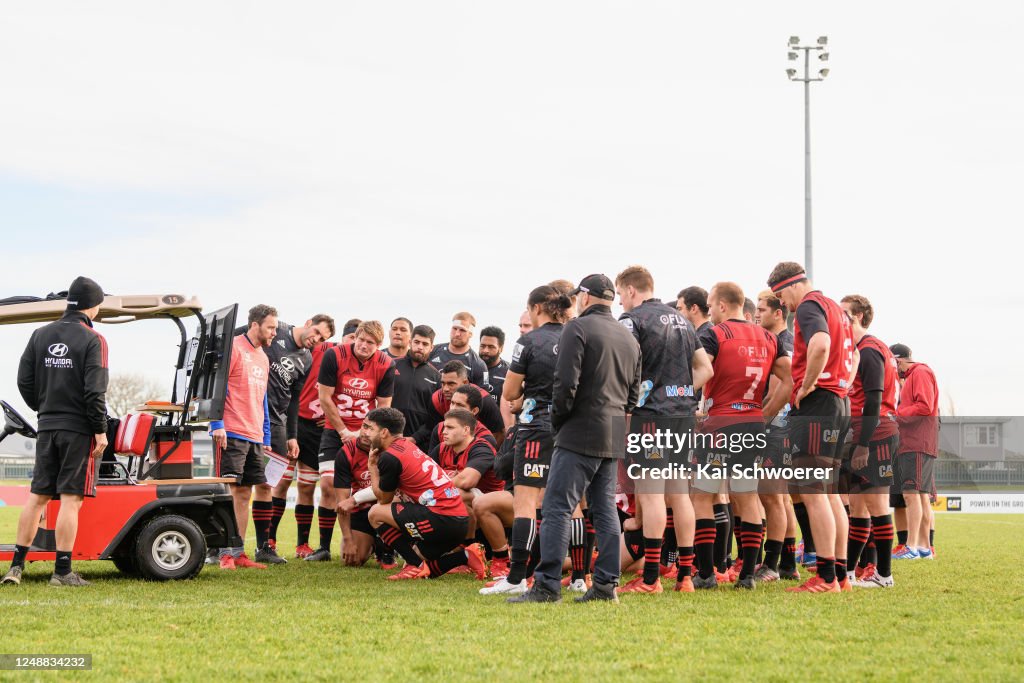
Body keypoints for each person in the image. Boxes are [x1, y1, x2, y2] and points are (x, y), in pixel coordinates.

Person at [509, 274, 641, 604]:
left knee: (556, 508)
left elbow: (565, 382)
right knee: (604, 511)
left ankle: (547, 585)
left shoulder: (577, 328)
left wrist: (559, 419)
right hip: (612, 429)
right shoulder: (628, 337)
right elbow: (633, 394)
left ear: (584, 297)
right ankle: (605, 585)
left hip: (579, 428)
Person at [4, 276, 110, 587]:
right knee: (69, 499)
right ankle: (62, 572)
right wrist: (100, 430)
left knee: (37, 497)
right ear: (93, 306)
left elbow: (24, 381)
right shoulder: (94, 339)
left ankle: (16, 568)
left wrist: (45, 407)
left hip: (47, 425)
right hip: (78, 429)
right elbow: (95, 392)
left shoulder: (40, 334)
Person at [614, 266, 713, 595]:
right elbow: (706, 368)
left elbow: (621, 366)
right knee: (679, 495)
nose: (620, 303)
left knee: (653, 494)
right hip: (683, 414)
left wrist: (636, 399)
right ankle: (685, 576)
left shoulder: (633, 320)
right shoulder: (682, 319)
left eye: (619, 295)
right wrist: (683, 391)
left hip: (652, 416)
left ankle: (651, 579)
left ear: (630, 290)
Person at [692, 282, 790, 590]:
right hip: (751, 424)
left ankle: (706, 574)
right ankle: (747, 575)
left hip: (719, 424)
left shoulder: (713, 334)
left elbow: (701, 370)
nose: (709, 312)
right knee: (746, 497)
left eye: (710, 306)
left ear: (722, 305)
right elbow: (789, 379)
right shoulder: (769, 337)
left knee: (702, 496)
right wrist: (765, 414)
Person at [767, 262, 856, 594]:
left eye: (780, 296)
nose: (782, 305)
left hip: (819, 403)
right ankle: (841, 575)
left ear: (792, 286)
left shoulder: (808, 305)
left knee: (813, 492)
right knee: (829, 493)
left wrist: (807, 384)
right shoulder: (836, 307)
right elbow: (854, 355)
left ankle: (827, 577)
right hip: (839, 403)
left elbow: (819, 344)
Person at [481, 285, 572, 596]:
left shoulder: (529, 341)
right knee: (573, 504)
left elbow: (508, 393)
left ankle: (518, 575)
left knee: (526, 501)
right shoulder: (579, 335)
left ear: (536, 309)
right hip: (574, 426)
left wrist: (523, 399)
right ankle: (578, 577)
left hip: (537, 425)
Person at [362, 408, 487, 580]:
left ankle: (415, 565)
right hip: (457, 522)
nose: (365, 433)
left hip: (442, 519)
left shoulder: (390, 457)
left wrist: (372, 468)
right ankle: (466, 556)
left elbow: (384, 499)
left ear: (384, 432)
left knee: (375, 513)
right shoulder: (407, 446)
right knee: (421, 567)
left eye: (369, 428)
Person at [307, 320, 396, 562]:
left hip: (367, 433)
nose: (365, 346)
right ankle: (323, 547)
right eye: (362, 339)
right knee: (327, 487)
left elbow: (384, 406)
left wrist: (364, 432)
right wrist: (344, 431)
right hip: (335, 430)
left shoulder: (386, 363)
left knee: (377, 485)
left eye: (371, 343)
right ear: (355, 337)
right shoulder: (335, 355)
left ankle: (383, 546)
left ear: (379, 346)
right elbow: (324, 398)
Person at [257, 314, 336, 564]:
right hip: (283, 422)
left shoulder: (310, 356)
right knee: (277, 482)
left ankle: (302, 543)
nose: (317, 340)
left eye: (323, 338)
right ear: (309, 321)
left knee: (306, 485)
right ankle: (268, 540)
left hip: (312, 428)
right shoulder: (276, 331)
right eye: (317, 333)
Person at [210, 304, 280, 570]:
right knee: (229, 492)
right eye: (271, 327)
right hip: (231, 430)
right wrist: (217, 424)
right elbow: (217, 388)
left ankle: (238, 552)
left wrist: (265, 435)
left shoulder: (263, 357)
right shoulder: (234, 348)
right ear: (255, 325)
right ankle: (223, 553)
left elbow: (262, 400)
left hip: (253, 435)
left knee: (244, 493)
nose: (274, 332)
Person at [840, 295, 898, 588]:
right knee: (859, 507)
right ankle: (849, 571)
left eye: (845, 315)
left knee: (876, 505)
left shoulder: (871, 350)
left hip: (877, 435)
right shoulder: (862, 349)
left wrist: (863, 443)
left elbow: (875, 398)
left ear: (860, 317)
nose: (840, 321)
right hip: (865, 432)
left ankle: (884, 575)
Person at [755, 289, 801, 581]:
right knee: (781, 498)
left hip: (776, 428)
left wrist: (761, 420)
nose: (757, 313)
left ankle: (771, 565)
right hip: (784, 428)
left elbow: (778, 391)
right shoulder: (785, 341)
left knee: (771, 497)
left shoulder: (780, 343)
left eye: (761, 309)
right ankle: (787, 564)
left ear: (778, 313)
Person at [889, 343, 939, 560]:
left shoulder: (920, 372)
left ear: (897, 361)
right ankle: (924, 548)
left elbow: (925, 407)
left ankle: (914, 546)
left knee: (913, 495)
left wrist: (896, 414)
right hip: (912, 442)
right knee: (918, 495)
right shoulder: (913, 375)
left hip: (917, 442)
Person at [332, 430, 378, 567]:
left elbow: (390, 490)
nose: (365, 433)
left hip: (390, 507)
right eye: (364, 426)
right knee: (353, 560)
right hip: (363, 509)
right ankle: (374, 544)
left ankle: (388, 549)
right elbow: (342, 501)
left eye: (372, 429)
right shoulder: (347, 452)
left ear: (383, 432)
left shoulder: (392, 450)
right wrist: (348, 539)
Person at [392, 325, 441, 447]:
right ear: (410, 342)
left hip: (419, 443)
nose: (420, 347)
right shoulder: (392, 365)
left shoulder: (437, 377)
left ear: (431, 348)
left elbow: (435, 416)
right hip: (389, 436)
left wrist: (415, 438)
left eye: (425, 344)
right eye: (417, 342)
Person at [429, 312, 488, 385]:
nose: (457, 334)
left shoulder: (480, 365)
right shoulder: (433, 350)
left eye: (462, 330)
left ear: (470, 334)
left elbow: (485, 393)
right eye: (454, 328)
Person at [478, 326, 509, 404]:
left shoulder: (509, 372)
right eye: (482, 346)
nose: (485, 350)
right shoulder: (471, 367)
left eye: (491, 347)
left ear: (501, 349)